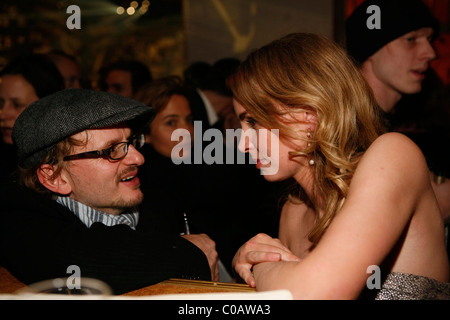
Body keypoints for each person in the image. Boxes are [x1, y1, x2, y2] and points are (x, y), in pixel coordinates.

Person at [229, 33, 450, 299]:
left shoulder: (394, 154)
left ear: (307, 113)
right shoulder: (294, 213)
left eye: (253, 121)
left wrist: (260, 264)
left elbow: (315, 293)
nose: (242, 145)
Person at [0, 88, 218, 295]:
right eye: (112, 150)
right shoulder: (18, 217)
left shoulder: (162, 200)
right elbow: (75, 261)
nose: (138, 158)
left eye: (132, 141)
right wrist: (187, 252)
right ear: (54, 177)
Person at [134, 76, 281, 281]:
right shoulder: (137, 185)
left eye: (189, 120)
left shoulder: (215, 174)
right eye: (171, 122)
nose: (185, 131)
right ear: (145, 134)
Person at [345, 0, 450, 224]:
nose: (430, 53)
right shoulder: (347, 129)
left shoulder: (391, 124)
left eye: (429, 39)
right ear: (371, 48)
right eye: (411, 40)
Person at [0, 53, 65, 183]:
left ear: (47, 106)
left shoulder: (64, 164)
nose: (3, 114)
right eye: (0, 103)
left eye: (17, 105)